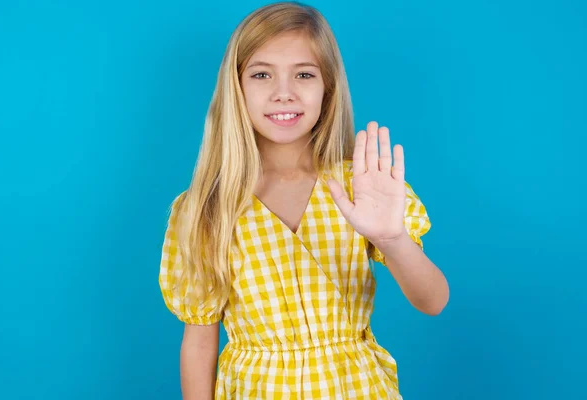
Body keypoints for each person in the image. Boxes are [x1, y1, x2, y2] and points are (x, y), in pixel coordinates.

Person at [158, 2, 449, 399]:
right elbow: (199, 341)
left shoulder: (362, 186)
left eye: (304, 74)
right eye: (262, 74)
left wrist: (392, 238)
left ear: (327, 86)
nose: (283, 93)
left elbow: (433, 301)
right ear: (236, 87)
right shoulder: (206, 207)